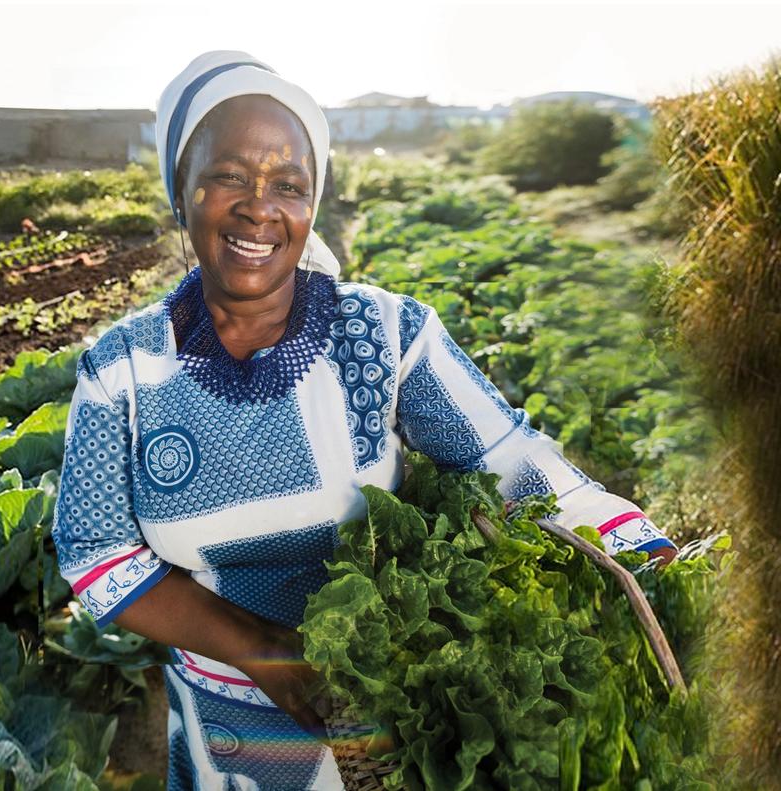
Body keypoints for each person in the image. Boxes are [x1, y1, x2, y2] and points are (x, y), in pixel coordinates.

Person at [52, 50, 679, 790]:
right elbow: (96, 554)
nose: (261, 206)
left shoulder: (384, 333)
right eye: (229, 176)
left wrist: (636, 543)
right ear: (180, 190)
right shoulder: (120, 369)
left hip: (383, 731)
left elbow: (510, 458)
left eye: (289, 184)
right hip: (222, 732)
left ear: (312, 204)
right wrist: (262, 648)